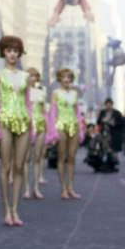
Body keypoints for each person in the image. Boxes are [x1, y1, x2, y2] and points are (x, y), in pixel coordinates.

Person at [0, 35, 30, 227]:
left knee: (19, 166)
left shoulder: (25, 77)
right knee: (6, 166)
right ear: (3, 53)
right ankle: (6, 209)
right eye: (9, 51)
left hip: (24, 120)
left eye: (15, 51)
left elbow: (28, 103)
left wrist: (32, 127)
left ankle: (15, 208)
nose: (12, 55)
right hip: (5, 119)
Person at [47, 68, 85, 198]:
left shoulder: (74, 93)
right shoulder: (55, 93)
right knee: (62, 157)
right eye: (64, 77)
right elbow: (52, 112)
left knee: (72, 157)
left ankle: (71, 188)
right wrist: (52, 130)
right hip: (61, 125)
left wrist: (80, 128)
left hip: (73, 124)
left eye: (69, 77)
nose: (66, 79)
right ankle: (63, 188)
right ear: (60, 79)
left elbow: (77, 112)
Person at [23, 68, 47, 200]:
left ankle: (36, 187)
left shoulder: (41, 92)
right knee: (26, 158)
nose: (32, 78)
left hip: (40, 124)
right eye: (30, 76)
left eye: (34, 76)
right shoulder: (23, 92)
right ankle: (26, 187)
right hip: (27, 124)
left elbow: (44, 111)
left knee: (38, 157)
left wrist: (49, 128)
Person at [96, 98, 123, 168]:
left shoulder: (117, 113)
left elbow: (121, 123)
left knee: (113, 149)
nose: (108, 106)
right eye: (107, 105)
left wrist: (113, 123)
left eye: (109, 104)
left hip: (114, 134)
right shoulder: (102, 112)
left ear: (112, 105)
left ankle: (113, 163)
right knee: (104, 148)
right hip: (104, 133)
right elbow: (98, 121)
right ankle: (105, 162)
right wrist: (102, 120)